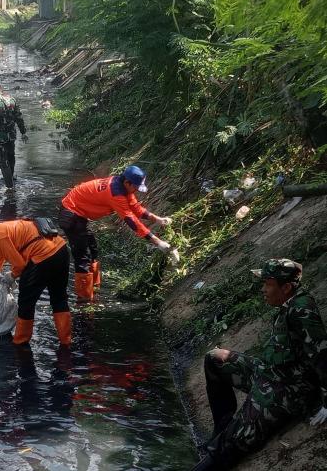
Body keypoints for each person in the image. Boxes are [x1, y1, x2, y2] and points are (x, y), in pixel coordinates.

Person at [193, 259, 327, 470]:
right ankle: (222, 429)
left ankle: (223, 445)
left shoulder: (302, 310)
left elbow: (322, 355)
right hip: (270, 372)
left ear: (286, 287)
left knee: (230, 444)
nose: (263, 289)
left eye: (268, 284)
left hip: (288, 390)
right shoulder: (288, 304)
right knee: (215, 358)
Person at [58, 165, 173, 302]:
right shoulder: (115, 193)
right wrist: (157, 242)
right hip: (71, 214)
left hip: (80, 215)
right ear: (127, 182)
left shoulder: (124, 187)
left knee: (93, 250)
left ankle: (94, 290)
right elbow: (131, 220)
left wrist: (158, 219)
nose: (136, 190)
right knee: (83, 257)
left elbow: (135, 208)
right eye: (136, 187)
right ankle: (84, 300)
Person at [0, 217, 71, 346]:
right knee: (59, 298)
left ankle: (21, 342)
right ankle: (66, 341)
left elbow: (20, 266)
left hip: (43, 257)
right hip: (61, 249)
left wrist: (11, 276)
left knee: (26, 302)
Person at [0, 82, 26, 189]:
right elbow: (19, 117)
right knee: (11, 156)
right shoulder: (12, 100)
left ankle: (9, 187)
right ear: (1, 90)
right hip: (11, 136)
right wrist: (23, 132)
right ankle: (11, 178)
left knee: (2, 161)